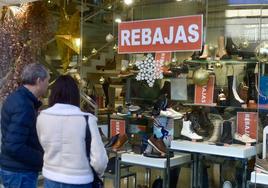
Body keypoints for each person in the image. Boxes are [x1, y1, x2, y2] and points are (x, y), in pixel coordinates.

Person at [36, 75, 108, 188]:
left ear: (53, 94)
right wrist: (98, 174)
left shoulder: (42, 117)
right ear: (75, 95)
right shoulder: (87, 119)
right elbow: (99, 160)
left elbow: (43, 146)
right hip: (80, 180)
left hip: (51, 178)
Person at [0, 63, 50, 188]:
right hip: (19, 172)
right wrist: (42, 158)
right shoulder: (24, 105)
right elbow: (15, 146)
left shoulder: (18, 98)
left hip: (14, 169)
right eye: (47, 81)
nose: (48, 85)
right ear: (39, 81)